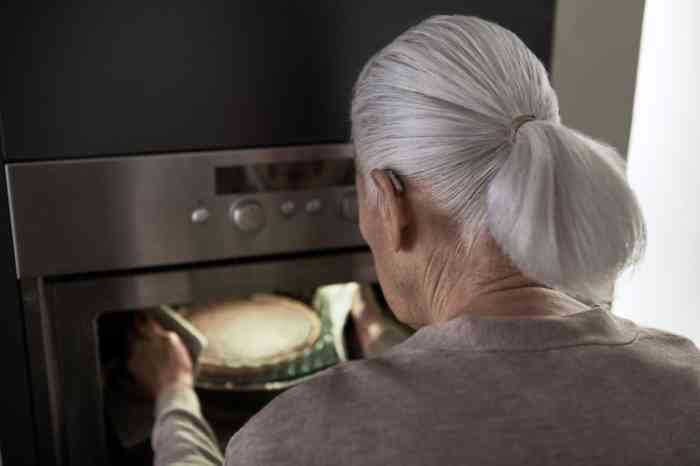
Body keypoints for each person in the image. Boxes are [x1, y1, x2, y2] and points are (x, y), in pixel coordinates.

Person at [128, 15, 700, 465]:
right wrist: (382, 337)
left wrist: (174, 395)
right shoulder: (686, 384)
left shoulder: (296, 437)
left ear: (389, 201)